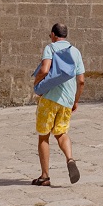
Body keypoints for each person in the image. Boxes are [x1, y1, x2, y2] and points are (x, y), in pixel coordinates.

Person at [33, 22, 85, 186]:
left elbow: (44, 70)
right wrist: (75, 100)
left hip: (49, 98)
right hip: (67, 100)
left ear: (53, 34)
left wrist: (37, 84)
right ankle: (70, 158)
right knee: (61, 133)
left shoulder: (51, 48)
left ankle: (45, 176)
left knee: (44, 136)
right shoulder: (75, 52)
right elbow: (81, 80)